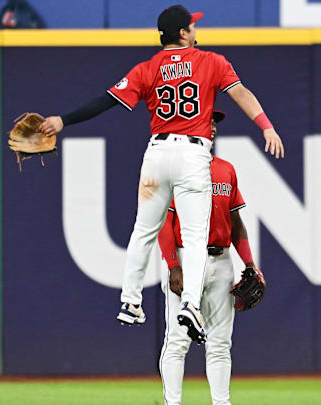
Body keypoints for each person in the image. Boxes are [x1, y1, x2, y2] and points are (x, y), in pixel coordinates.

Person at [37, 5, 284, 345]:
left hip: (156, 154)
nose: (195, 30)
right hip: (192, 154)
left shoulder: (147, 68)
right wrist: (266, 126)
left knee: (143, 230)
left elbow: (105, 101)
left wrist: (64, 121)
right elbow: (240, 93)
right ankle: (191, 306)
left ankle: (130, 300)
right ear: (182, 33)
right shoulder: (211, 61)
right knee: (195, 237)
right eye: (191, 27)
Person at [158, 109, 258, 405]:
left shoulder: (226, 169)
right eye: (206, 121)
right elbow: (164, 223)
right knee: (177, 342)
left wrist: (249, 263)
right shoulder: (173, 170)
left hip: (222, 260)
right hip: (187, 258)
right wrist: (173, 266)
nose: (212, 126)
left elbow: (236, 224)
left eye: (214, 122)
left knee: (220, 343)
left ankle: (221, 403)